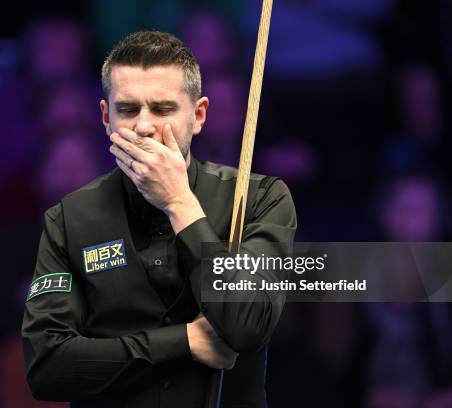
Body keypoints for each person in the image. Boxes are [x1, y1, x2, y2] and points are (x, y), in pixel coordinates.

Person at [22, 31, 296, 407]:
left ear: (198, 115)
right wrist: (183, 342)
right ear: (106, 117)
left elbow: (247, 326)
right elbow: (48, 368)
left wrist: (180, 202)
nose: (144, 126)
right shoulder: (69, 219)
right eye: (128, 109)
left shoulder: (258, 199)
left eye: (164, 109)